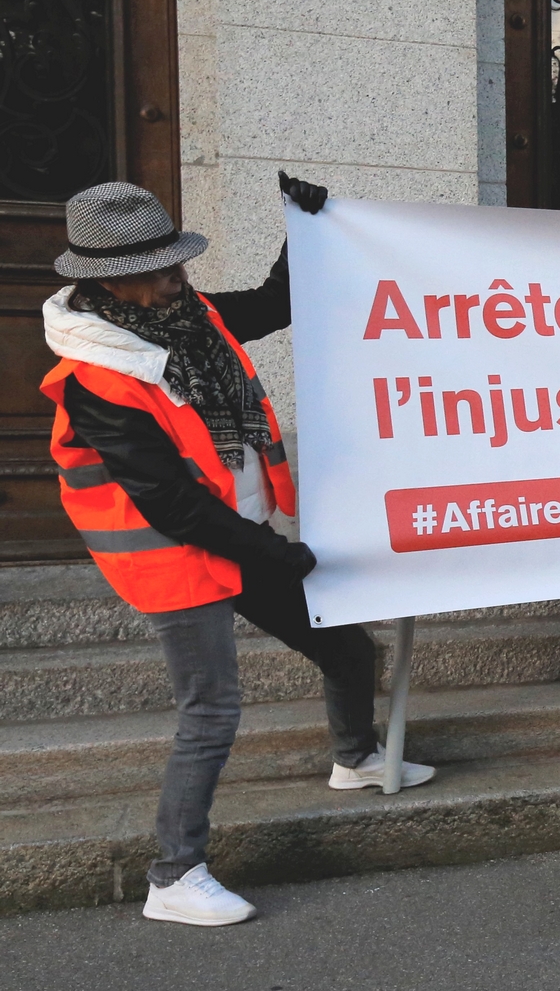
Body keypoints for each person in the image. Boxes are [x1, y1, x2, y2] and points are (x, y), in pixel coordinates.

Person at [40, 177, 435, 927]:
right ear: (107, 280)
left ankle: (355, 758)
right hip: (175, 553)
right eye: (156, 271)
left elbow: (280, 300)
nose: (174, 278)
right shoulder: (97, 373)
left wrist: (307, 226)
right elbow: (167, 500)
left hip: (236, 530)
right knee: (211, 709)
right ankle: (173, 874)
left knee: (347, 648)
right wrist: (274, 552)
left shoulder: (193, 317)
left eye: (175, 262)